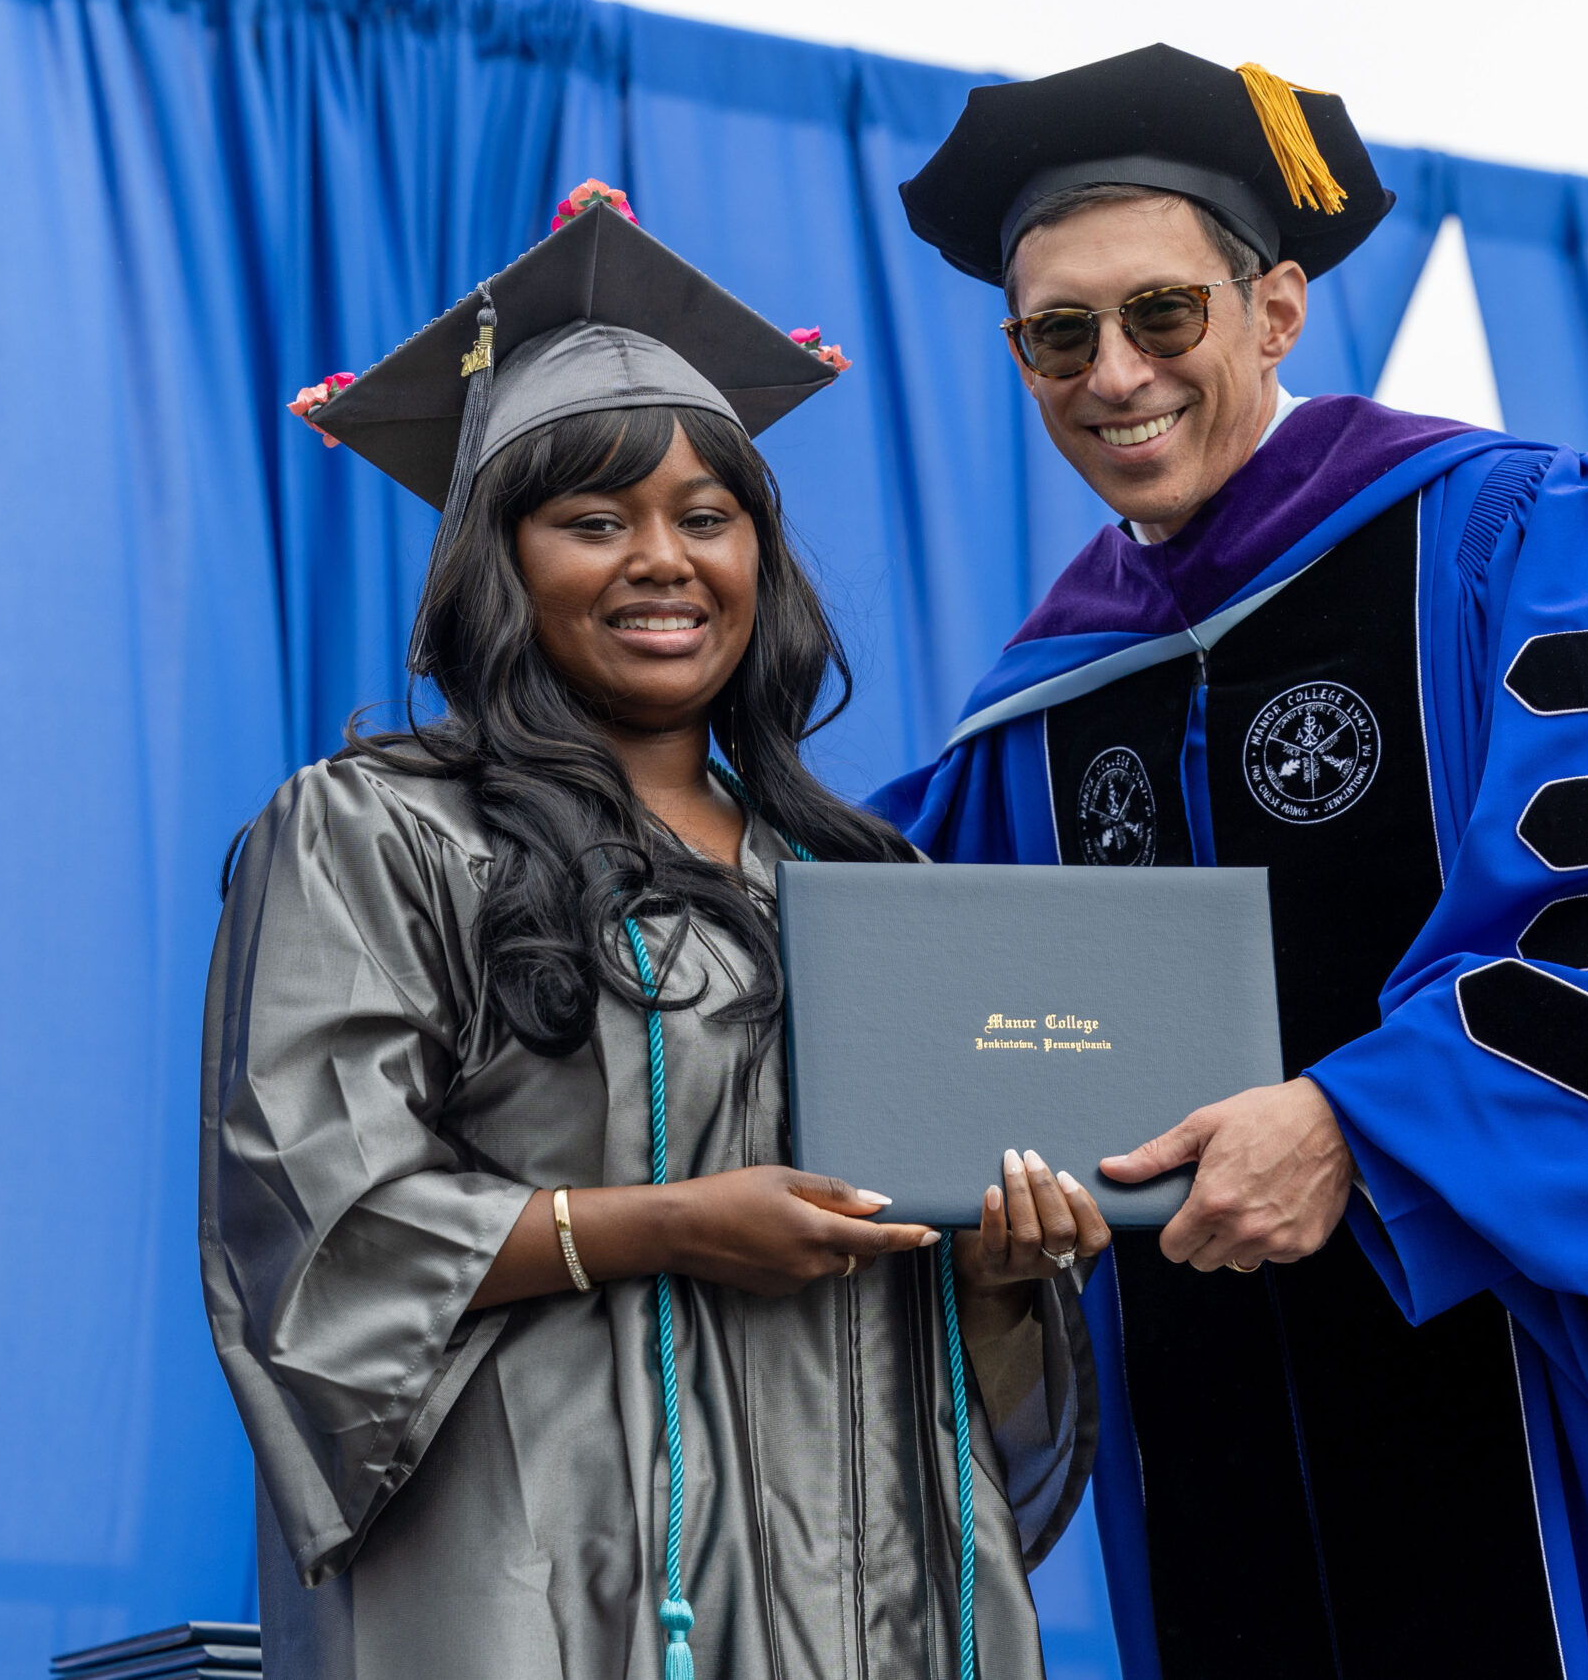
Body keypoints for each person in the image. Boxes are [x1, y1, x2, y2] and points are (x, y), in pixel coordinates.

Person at [877, 47, 1588, 1680]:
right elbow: (907, 1003)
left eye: (1162, 315)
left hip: (1530, 1396)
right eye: (1059, 335)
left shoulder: (1515, 540)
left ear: (1277, 307)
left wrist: (1358, 1125)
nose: (1115, 374)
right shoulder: (1043, 704)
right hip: (1219, 1430)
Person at [201, 185, 1112, 1680]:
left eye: (708, 516)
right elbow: (320, 1223)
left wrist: (1002, 1267)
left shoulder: (855, 875)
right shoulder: (380, 830)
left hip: (870, 1584)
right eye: (592, 521)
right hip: (549, 1572)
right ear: (499, 563)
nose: (664, 560)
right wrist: (670, 1228)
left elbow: (950, 1325)